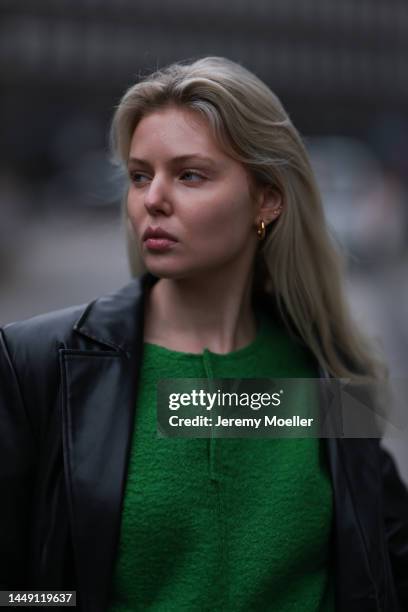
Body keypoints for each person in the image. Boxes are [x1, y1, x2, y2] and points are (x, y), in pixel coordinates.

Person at [0, 56, 407, 612]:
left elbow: (384, 562)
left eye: (190, 174)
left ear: (267, 199)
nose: (153, 200)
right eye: (141, 175)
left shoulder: (322, 369)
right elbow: (19, 590)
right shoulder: (43, 363)